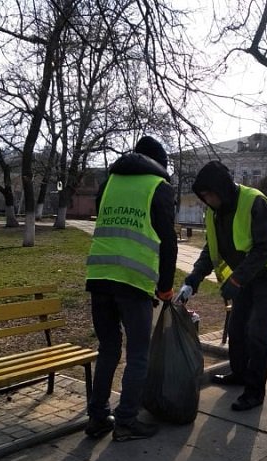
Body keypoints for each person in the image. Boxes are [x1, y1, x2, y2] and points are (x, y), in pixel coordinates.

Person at [85, 136, 178, 441]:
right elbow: (168, 242)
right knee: (138, 353)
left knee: (108, 348)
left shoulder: (109, 182)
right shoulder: (158, 187)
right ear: (158, 163)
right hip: (133, 281)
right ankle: (126, 421)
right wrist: (165, 287)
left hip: (99, 277)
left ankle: (98, 418)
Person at [177, 160, 267, 411]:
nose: (206, 200)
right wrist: (193, 280)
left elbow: (265, 246)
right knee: (237, 328)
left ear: (221, 189)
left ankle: (255, 391)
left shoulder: (254, 201)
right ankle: (239, 374)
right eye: (202, 197)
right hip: (245, 276)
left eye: (209, 195)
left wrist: (236, 280)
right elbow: (211, 250)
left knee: (257, 333)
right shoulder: (215, 212)